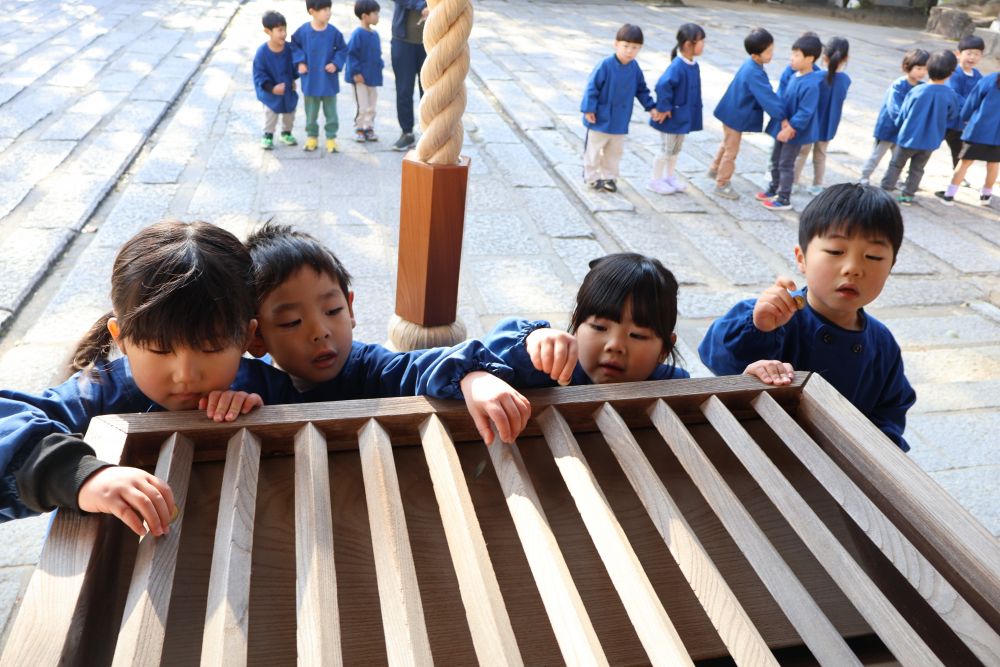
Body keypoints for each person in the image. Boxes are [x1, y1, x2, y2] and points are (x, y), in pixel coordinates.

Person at [0, 221, 299, 532]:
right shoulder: (99, 394)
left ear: (247, 337)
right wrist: (81, 474)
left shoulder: (268, 388)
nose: (185, 375)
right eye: (160, 350)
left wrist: (267, 417)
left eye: (211, 348)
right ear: (122, 339)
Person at [244, 223, 530, 445]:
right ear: (255, 338)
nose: (320, 332)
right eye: (292, 321)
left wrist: (472, 377)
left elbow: (418, 367)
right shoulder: (256, 386)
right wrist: (229, 403)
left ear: (350, 307)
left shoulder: (369, 367)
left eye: (332, 310)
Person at [698, 184, 915, 451]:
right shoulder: (772, 317)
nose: (853, 269)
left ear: (891, 266)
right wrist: (758, 329)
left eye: (873, 256)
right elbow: (718, 360)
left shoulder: (882, 343)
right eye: (836, 251)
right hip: (763, 454)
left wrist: (882, 451)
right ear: (801, 258)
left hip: (841, 466)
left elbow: (891, 410)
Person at [482, 253, 689, 388]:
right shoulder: (549, 371)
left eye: (638, 335)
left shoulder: (673, 388)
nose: (615, 345)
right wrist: (530, 339)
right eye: (599, 327)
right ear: (576, 326)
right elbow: (479, 358)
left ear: (665, 349)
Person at [710, 28, 791, 201]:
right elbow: (767, 97)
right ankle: (722, 183)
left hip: (730, 111)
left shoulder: (752, 64)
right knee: (731, 151)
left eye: (772, 49)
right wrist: (782, 115)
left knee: (726, 145)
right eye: (768, 52)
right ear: (755, 55)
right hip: (735, 115)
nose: (772, 54)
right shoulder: (754, 72)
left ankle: (715, 168)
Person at [580, 24, 662, 194]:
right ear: (616, 44)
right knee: (593, 150)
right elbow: (592, 87)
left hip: (620, 119)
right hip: (599, 118)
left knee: (614, 152)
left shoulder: (634, 68)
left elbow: (641, 89)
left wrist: (650, 107)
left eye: (634, 47)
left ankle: (609, 177)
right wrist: (589, 109)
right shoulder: (605, 65)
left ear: (640, 48)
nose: (629, 51)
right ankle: (592, 177)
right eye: (625, 46)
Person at [880, 50, 960, 205]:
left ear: (928, 69)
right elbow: (953, 114)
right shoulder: (950, 94)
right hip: (930, 140)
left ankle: (885, 191)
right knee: (917, 169)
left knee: (896, 164)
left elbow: (903, 113)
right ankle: (908, 196)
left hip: (909, 137)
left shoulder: (916, 90)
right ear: (951, 73)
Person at [756, 34, 824, 210]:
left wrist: (791, 127)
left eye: (796, 55)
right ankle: (773, 188)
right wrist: (782, 119)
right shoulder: (794, 75)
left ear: (809, 59)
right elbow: (783, 97)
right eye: (792, 54)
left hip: (794, 133)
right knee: (775, 158)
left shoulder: (812, 83)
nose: (791, 59)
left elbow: (805, 112)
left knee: (786, 163)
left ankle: (784, 197)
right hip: (783, 126)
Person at [647, 23, 705, 195]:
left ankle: (669, 177)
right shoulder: (677, 66)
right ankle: (654, 180)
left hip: (683, 116)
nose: (703, 45)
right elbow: (663, 85)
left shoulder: (693, 65)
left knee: (675, 150)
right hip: (671, 117)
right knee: (665, 150)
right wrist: (664, 108)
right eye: (701, 41)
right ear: (688, 44)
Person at [859, 49, 928, 186]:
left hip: (904, 130)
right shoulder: (899, 85)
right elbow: (894, 108)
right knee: (877, 155)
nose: (922, 72)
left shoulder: (922, 87)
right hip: (888, 128)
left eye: (925, 69)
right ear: (907, 67)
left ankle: (897, 179)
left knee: (898, 157)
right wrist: (908, 122)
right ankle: (864, 176)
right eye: (919, 68)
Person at [793, 37, 851, 196]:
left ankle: (793, 182)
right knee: (820, 156)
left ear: (823, 57)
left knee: (801, 154)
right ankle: (817, 185)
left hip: (811, 124)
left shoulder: (816, 77)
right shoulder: (846, 80)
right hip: (829, 124)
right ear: (846, 58)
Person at [935, 70, 1000, 207]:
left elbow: (972, 101)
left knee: (964, 162)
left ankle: (949, 195)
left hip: (979, 130)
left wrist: (964, 117)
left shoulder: (990, 79)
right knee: (993, 165)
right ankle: (986, 196)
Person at [291, 0, 347, 153]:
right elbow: (294, 46)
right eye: (323, 9)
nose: (327, 12)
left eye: (329, 8)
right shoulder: (303, 32)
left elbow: (342, 50)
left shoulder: (334, 32)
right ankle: (312, 136)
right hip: (310, 80)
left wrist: (335, 63)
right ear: (311, 11)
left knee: (331, 112)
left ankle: (331, 138)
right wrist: (300, 62)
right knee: (311, 112)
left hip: (328, 80)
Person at [253, 10, 299, 150]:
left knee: (289, 112)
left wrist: (294, 78)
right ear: (268, 31)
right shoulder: (262, 53)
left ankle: (286, 132)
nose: (284, 34)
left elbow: (295, 65)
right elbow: (259, 74)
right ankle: (268, 135)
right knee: (271, 113)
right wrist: (272, 88)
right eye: (279, 30)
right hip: (270, 92)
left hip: (287, 90)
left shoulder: (289, 49)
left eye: (285, 30)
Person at [390, 0, 428, 151]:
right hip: (403, 41)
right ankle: (407, 133)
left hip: (430, 43)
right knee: (404, 89)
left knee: (429, 92)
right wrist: (421, 5)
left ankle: (429, 133)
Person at [943, 35, 984, 172]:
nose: (972, 57)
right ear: (958, 54)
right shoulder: (954, 73)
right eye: (969, 53)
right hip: (947, 120)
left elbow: (982, 94)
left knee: (958, 150)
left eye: (977, 54)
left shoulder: (977, 75)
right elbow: (954, 94)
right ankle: (911, 173)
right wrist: (970, 110)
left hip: (961, 124)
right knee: (927, 147)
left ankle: (958, 173)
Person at [346, 0, 383, 143]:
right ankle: (359, 128)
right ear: (364, 16)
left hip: (372, 77)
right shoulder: (358, 34)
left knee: (372, 105)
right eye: (375, 13)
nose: (377, 16)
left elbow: (377, 54)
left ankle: (369, 127)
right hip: (360, 78)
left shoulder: (375, 35)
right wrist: (355, 72)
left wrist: (379, 66)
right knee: (362, 105)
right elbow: (352, 54)